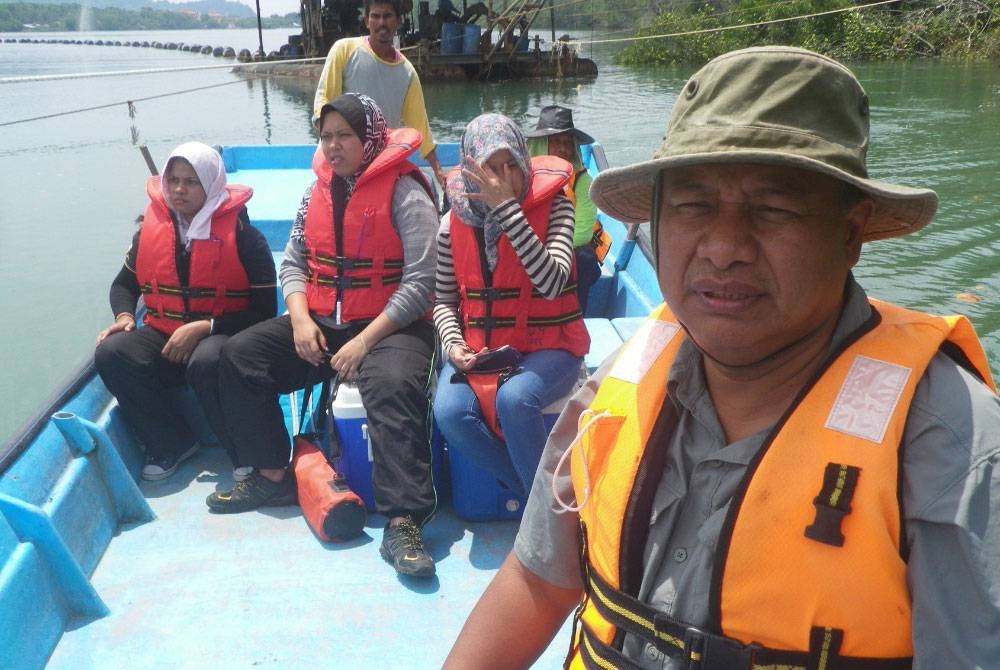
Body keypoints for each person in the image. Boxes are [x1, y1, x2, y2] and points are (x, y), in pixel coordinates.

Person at [445, 46, 1000, 669]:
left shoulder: (951, 445)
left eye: (774, 208)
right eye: (692, 204)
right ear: (656, 219)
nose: (724, 247)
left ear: (850, 234)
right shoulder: (620, 385)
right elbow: (537, 582)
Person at [210, 93, 440, 579]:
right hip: (323, 324)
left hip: (391, 326)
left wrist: (365, 341)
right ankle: (272, 473)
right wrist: (298, 318)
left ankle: (403, 521)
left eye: (345, 137)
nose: (333, 147)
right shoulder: (316, 192)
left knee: (391, 384)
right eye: (326, 137)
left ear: (369, 139)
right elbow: (293, 262)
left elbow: (422, 283)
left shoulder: (406, 192)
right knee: (239, 355)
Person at [94, 142, 276, 482]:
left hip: (224, 335)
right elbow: (123, 286)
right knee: (111, 353)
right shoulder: (148, 233)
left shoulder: (246, 238)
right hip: (164, 336)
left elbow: (265, 312)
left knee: (206, 360)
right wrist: (124, 317)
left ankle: (242, 452)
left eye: (191, 182)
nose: (179, 189)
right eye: (174, 180)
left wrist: (206, 326)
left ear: (210, 184)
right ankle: (171, 443)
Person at [432, 113, 590, 500]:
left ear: (524, 163)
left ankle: (543, 516)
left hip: (551, 347)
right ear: (472, 171)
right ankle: (540, 501)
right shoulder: (451, 223)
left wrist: (508, 211)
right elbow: (444, 301)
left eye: (511, 167)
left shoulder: (558, 208)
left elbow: (552, 283)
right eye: (491, 169)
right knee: (450, 413)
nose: (503, 180)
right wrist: (455, 347)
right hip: (481, 351)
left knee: (515, 399)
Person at [313, 0, 447, 188]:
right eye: (375, 16)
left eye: (387, 16)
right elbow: (323, 106)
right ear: (366, 21)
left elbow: (420, 127)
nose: (381, 22)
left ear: (398, 22)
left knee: (425, 188)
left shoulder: (407, 73)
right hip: (340, 159)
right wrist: (332, 147)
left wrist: (438, 170)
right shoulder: (343, 51)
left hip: (380, 163)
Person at [526, 104, 610, 315]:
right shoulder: (524, 180)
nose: (563, 148)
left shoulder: (582, 181)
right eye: (555, 142)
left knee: (582, 259)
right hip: (532, 248)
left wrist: (546, 253)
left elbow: (582, 232)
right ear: (540, 145)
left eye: (567, 143)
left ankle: (573, 317)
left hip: (569, 252)